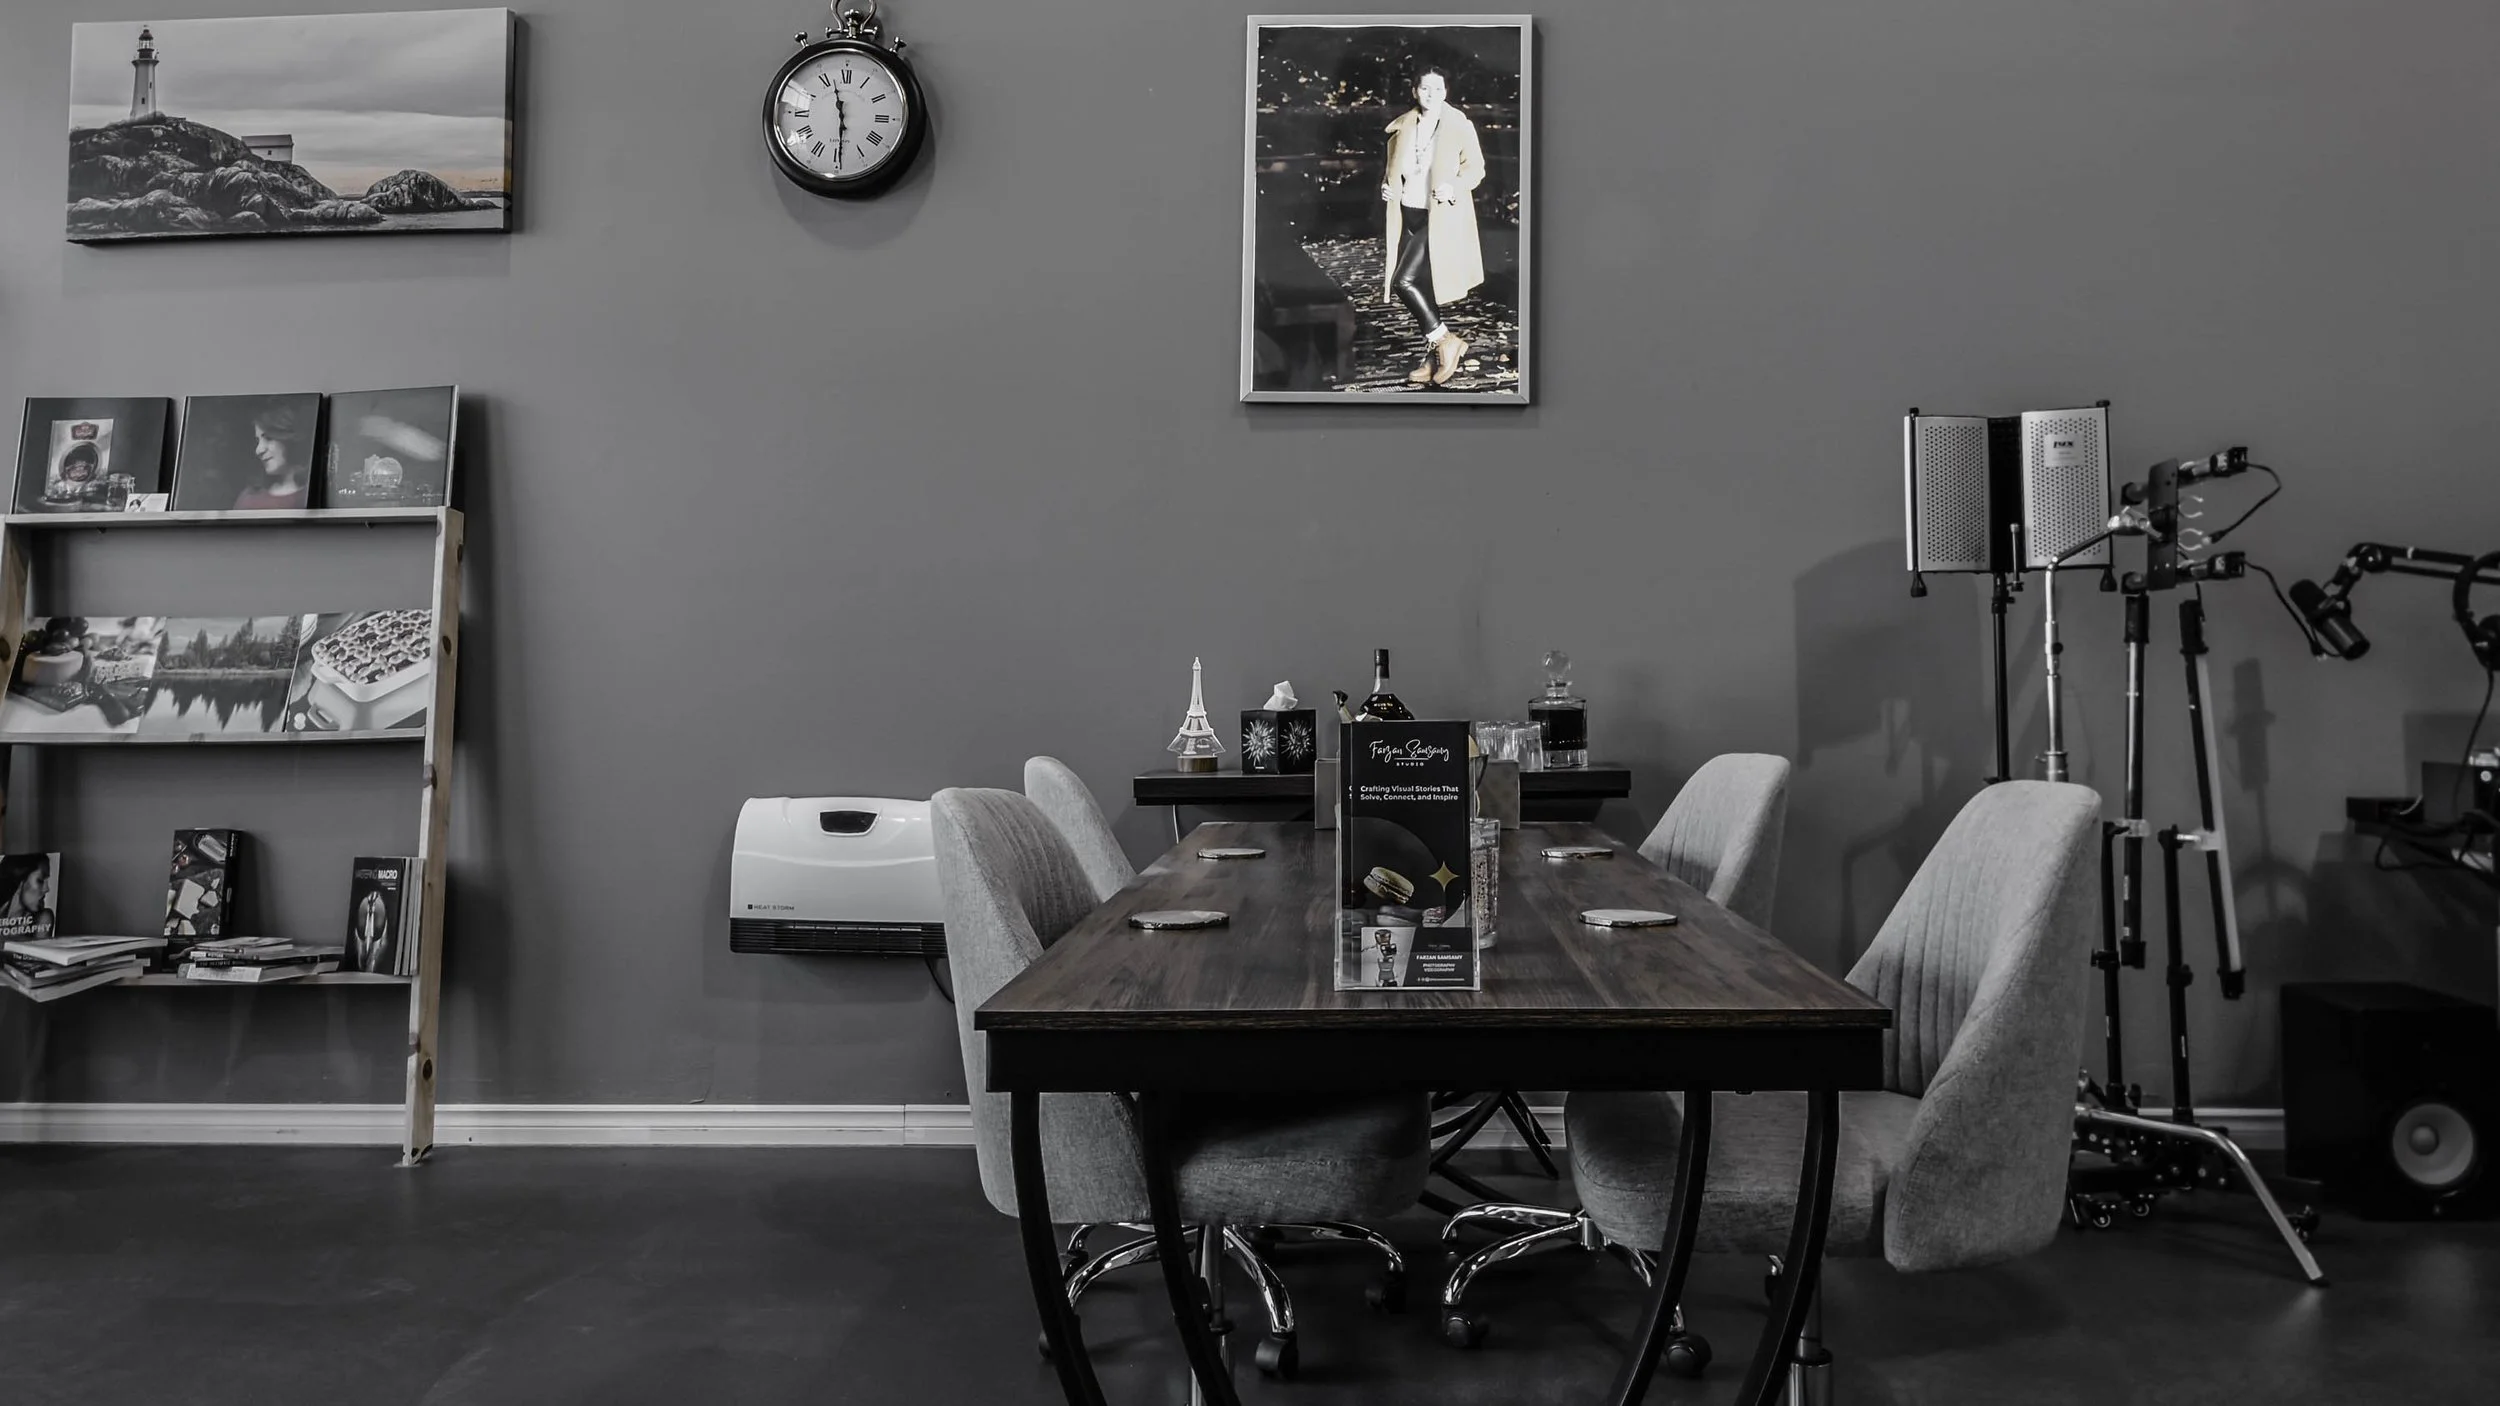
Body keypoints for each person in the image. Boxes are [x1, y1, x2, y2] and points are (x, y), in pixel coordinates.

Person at [1377, 66, 1486, 387]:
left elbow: (1476, 169)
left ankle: (1446, 341)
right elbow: (1396, 171)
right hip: (1409, 213)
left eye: (1438, 90)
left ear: (1446, 92)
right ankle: (1434, 353)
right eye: (1425, 89)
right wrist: (1386, 186)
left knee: (1404, 282)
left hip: (1440, 216)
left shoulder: (1458, 125)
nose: (1432, 95)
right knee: (1424, 285)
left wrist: (1453, 185)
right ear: (1414, 91)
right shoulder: (1404, 127)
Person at [233, 402, 312, 510]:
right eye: (257, 441)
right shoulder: (249, 499)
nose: (258, 450)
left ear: (288, 439)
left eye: (269, 438)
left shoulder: (312, 494)